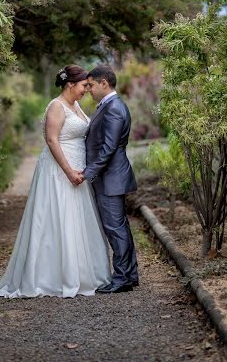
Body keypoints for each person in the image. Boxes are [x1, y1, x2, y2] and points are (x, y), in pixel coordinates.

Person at [0, 65, 111, 298]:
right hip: (59, 171)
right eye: (83, 86)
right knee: (56, 218)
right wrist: (69, 171)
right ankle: (50, 276)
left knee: (76, 218)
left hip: (78, 170)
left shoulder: (75, 105)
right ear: (70, 84)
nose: (85, 90)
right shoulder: (56, 107)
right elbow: (51, 140)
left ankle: (80, 273)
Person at [83, 65, 138, 293]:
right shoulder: (109, 105)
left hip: (111, 177)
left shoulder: (114, 108)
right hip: (111, 177)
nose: (89, 90)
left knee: (115, 228)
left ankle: (122, 278)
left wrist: (88, 172)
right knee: (120, 227)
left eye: (91, 85)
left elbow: (108, 148)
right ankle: (130, 274)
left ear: (104, 82)